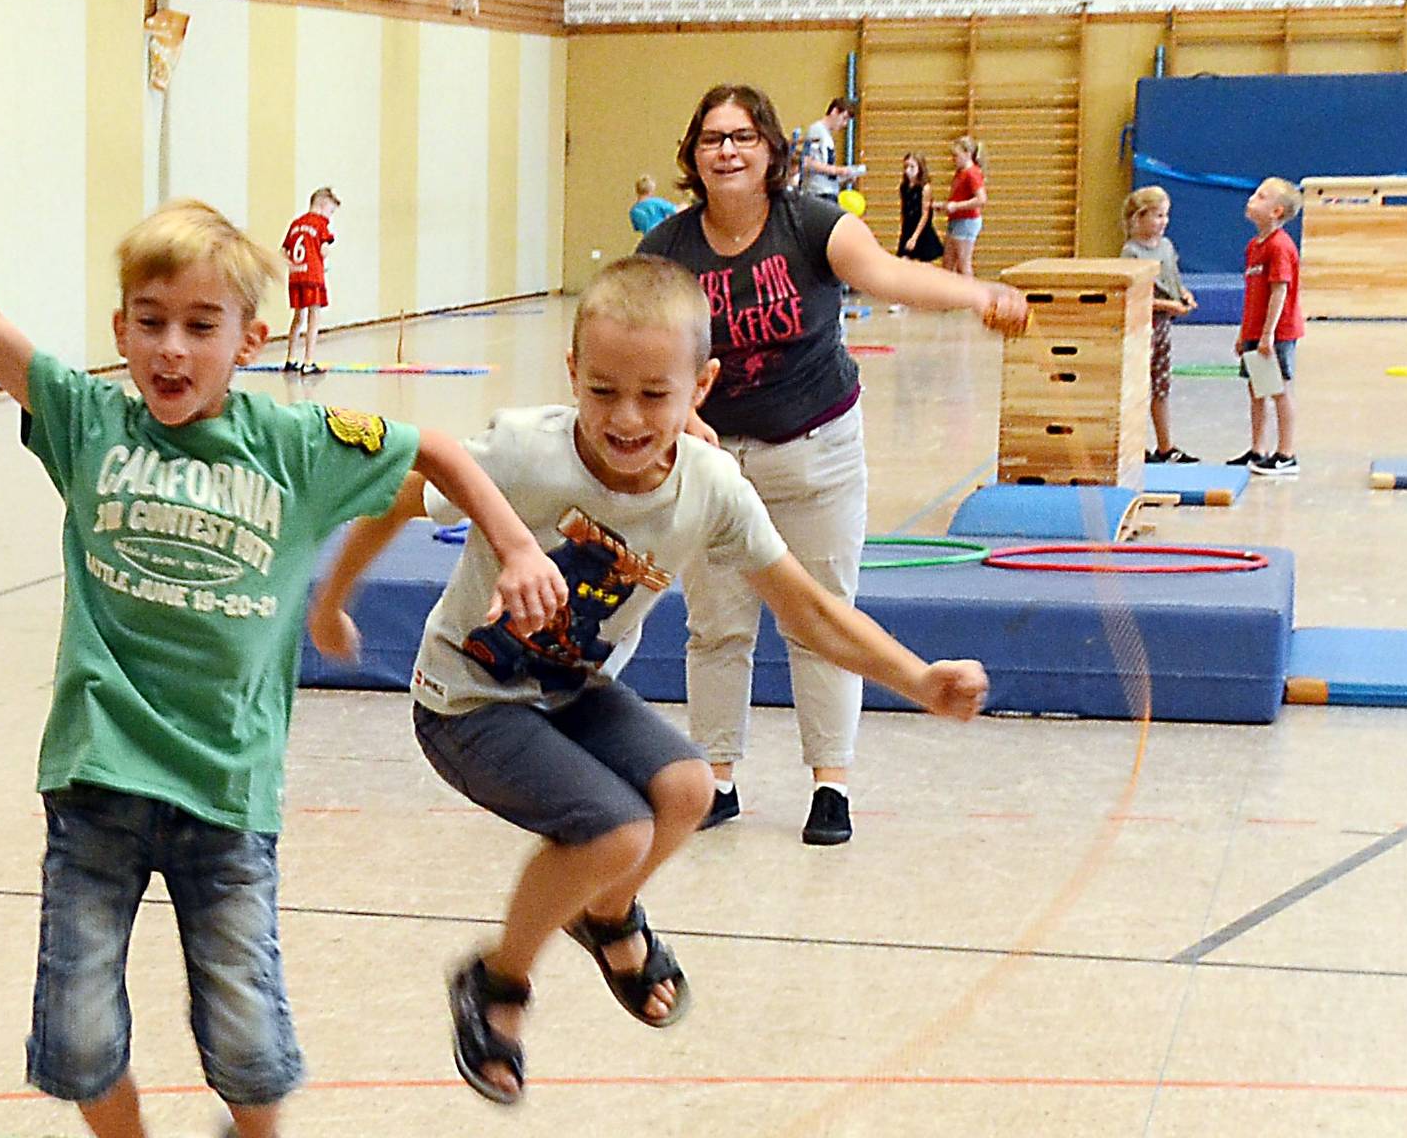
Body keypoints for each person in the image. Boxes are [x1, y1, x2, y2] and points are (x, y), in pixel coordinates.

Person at [0, 97, 564, 1138]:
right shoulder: (88, 422)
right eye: (150, 321)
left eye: (199, 325)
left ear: (250, 338)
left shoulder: (296, 444)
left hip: (227, 791)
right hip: (96, 779)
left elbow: (443, 452)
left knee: (248, 1048)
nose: (171, 349)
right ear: (119, 328)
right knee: (80, 1040)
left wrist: (519, 545)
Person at [309, 255, 990, 1105]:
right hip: (467, 702)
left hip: (570, 691)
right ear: (572, 376)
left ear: (700, 385)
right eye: (602, 392)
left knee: (687, 789)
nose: (625, 419)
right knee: (612, 831)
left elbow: (808, 611)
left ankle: (606, 913)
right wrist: (331, 602)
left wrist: (917, 679)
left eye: (654, 395)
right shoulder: (525, 453)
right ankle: (498, 981)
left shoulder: (710, 490)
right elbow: (398, 497)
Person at [637, 83, 1027, 846]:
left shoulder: (812, 225)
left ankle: (830, 782)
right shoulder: (667, 252)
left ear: (772, 151)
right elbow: (649, 349)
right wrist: (682, 419)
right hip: (716, 466)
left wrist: (976, 291)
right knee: (716, 626)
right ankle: (715, 776)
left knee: (821, 619)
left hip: (814, 451)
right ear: (692, 156)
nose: (727, 150)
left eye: (743, 137)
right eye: (712, 138)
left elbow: (890, 277)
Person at [1227, 177, 1303, 478]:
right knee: (1256, 390)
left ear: (1277, 211)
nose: (1251, 199)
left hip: (1276, 332)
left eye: (1261, 196)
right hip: (1255, 332)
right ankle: (1258, 449)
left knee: (1278, 391)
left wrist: (1268, 334)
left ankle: (1286, 453)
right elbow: (1252, 294)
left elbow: (1279, 290)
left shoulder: (1280, 247)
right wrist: (1244, 332)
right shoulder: (1254, 246)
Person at [1122, 186, 1197, 464]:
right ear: (1138, 218)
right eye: (1157, 216)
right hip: (1143, 326)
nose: (1163, 222)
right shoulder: (1132, 253)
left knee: (1161, 385)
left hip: (1164, 326)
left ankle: (1166, 446)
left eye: (1165, 215)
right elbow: (1134, 298)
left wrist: (1184, 295)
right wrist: (1168, 306)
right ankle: (1134, 445)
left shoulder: (1166, 247)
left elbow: (1173, 281)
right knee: (1138, 387)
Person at [279, 188, 339, 374]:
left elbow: (282, 251)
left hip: (297, 276)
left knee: (298, 316)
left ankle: (290, 359)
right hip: (313, 276)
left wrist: (292, 266)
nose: (329, 217)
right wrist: (326, 259)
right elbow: (323, 249)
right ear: (322, 206)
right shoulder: (320, 224)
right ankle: (308, 361)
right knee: (314, 316)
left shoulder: (296, 224)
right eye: (330, 211)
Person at [793, 97, 867, 203]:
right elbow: (808, 163)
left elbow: (825, 170)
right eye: (844, 118)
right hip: (818, 192)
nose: (844, 124)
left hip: (828, 191)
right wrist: (838, 170)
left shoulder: (827, 135)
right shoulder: (816, 131)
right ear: (834, 111)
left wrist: (843, 177)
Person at [940, 136, 986, 279]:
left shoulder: (972, 173)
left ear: (967, 154)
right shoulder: (960, 173)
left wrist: (957, 206)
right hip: (956, 220)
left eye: (956, 155)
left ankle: (970, 299)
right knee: (948, 263)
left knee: (963, 264)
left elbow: (981, 199)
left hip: (967, 221)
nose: (953, 159)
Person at [896, 153, 942, 262]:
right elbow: (904, 210)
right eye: (906, 167)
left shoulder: (925, 188)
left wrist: (914, 237)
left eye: (912, 167)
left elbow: (925, 214)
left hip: (922, 230)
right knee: (903, 260)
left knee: (924, 264)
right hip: (908, 228)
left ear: (920, 168)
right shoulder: (904, 187)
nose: (908, 170)